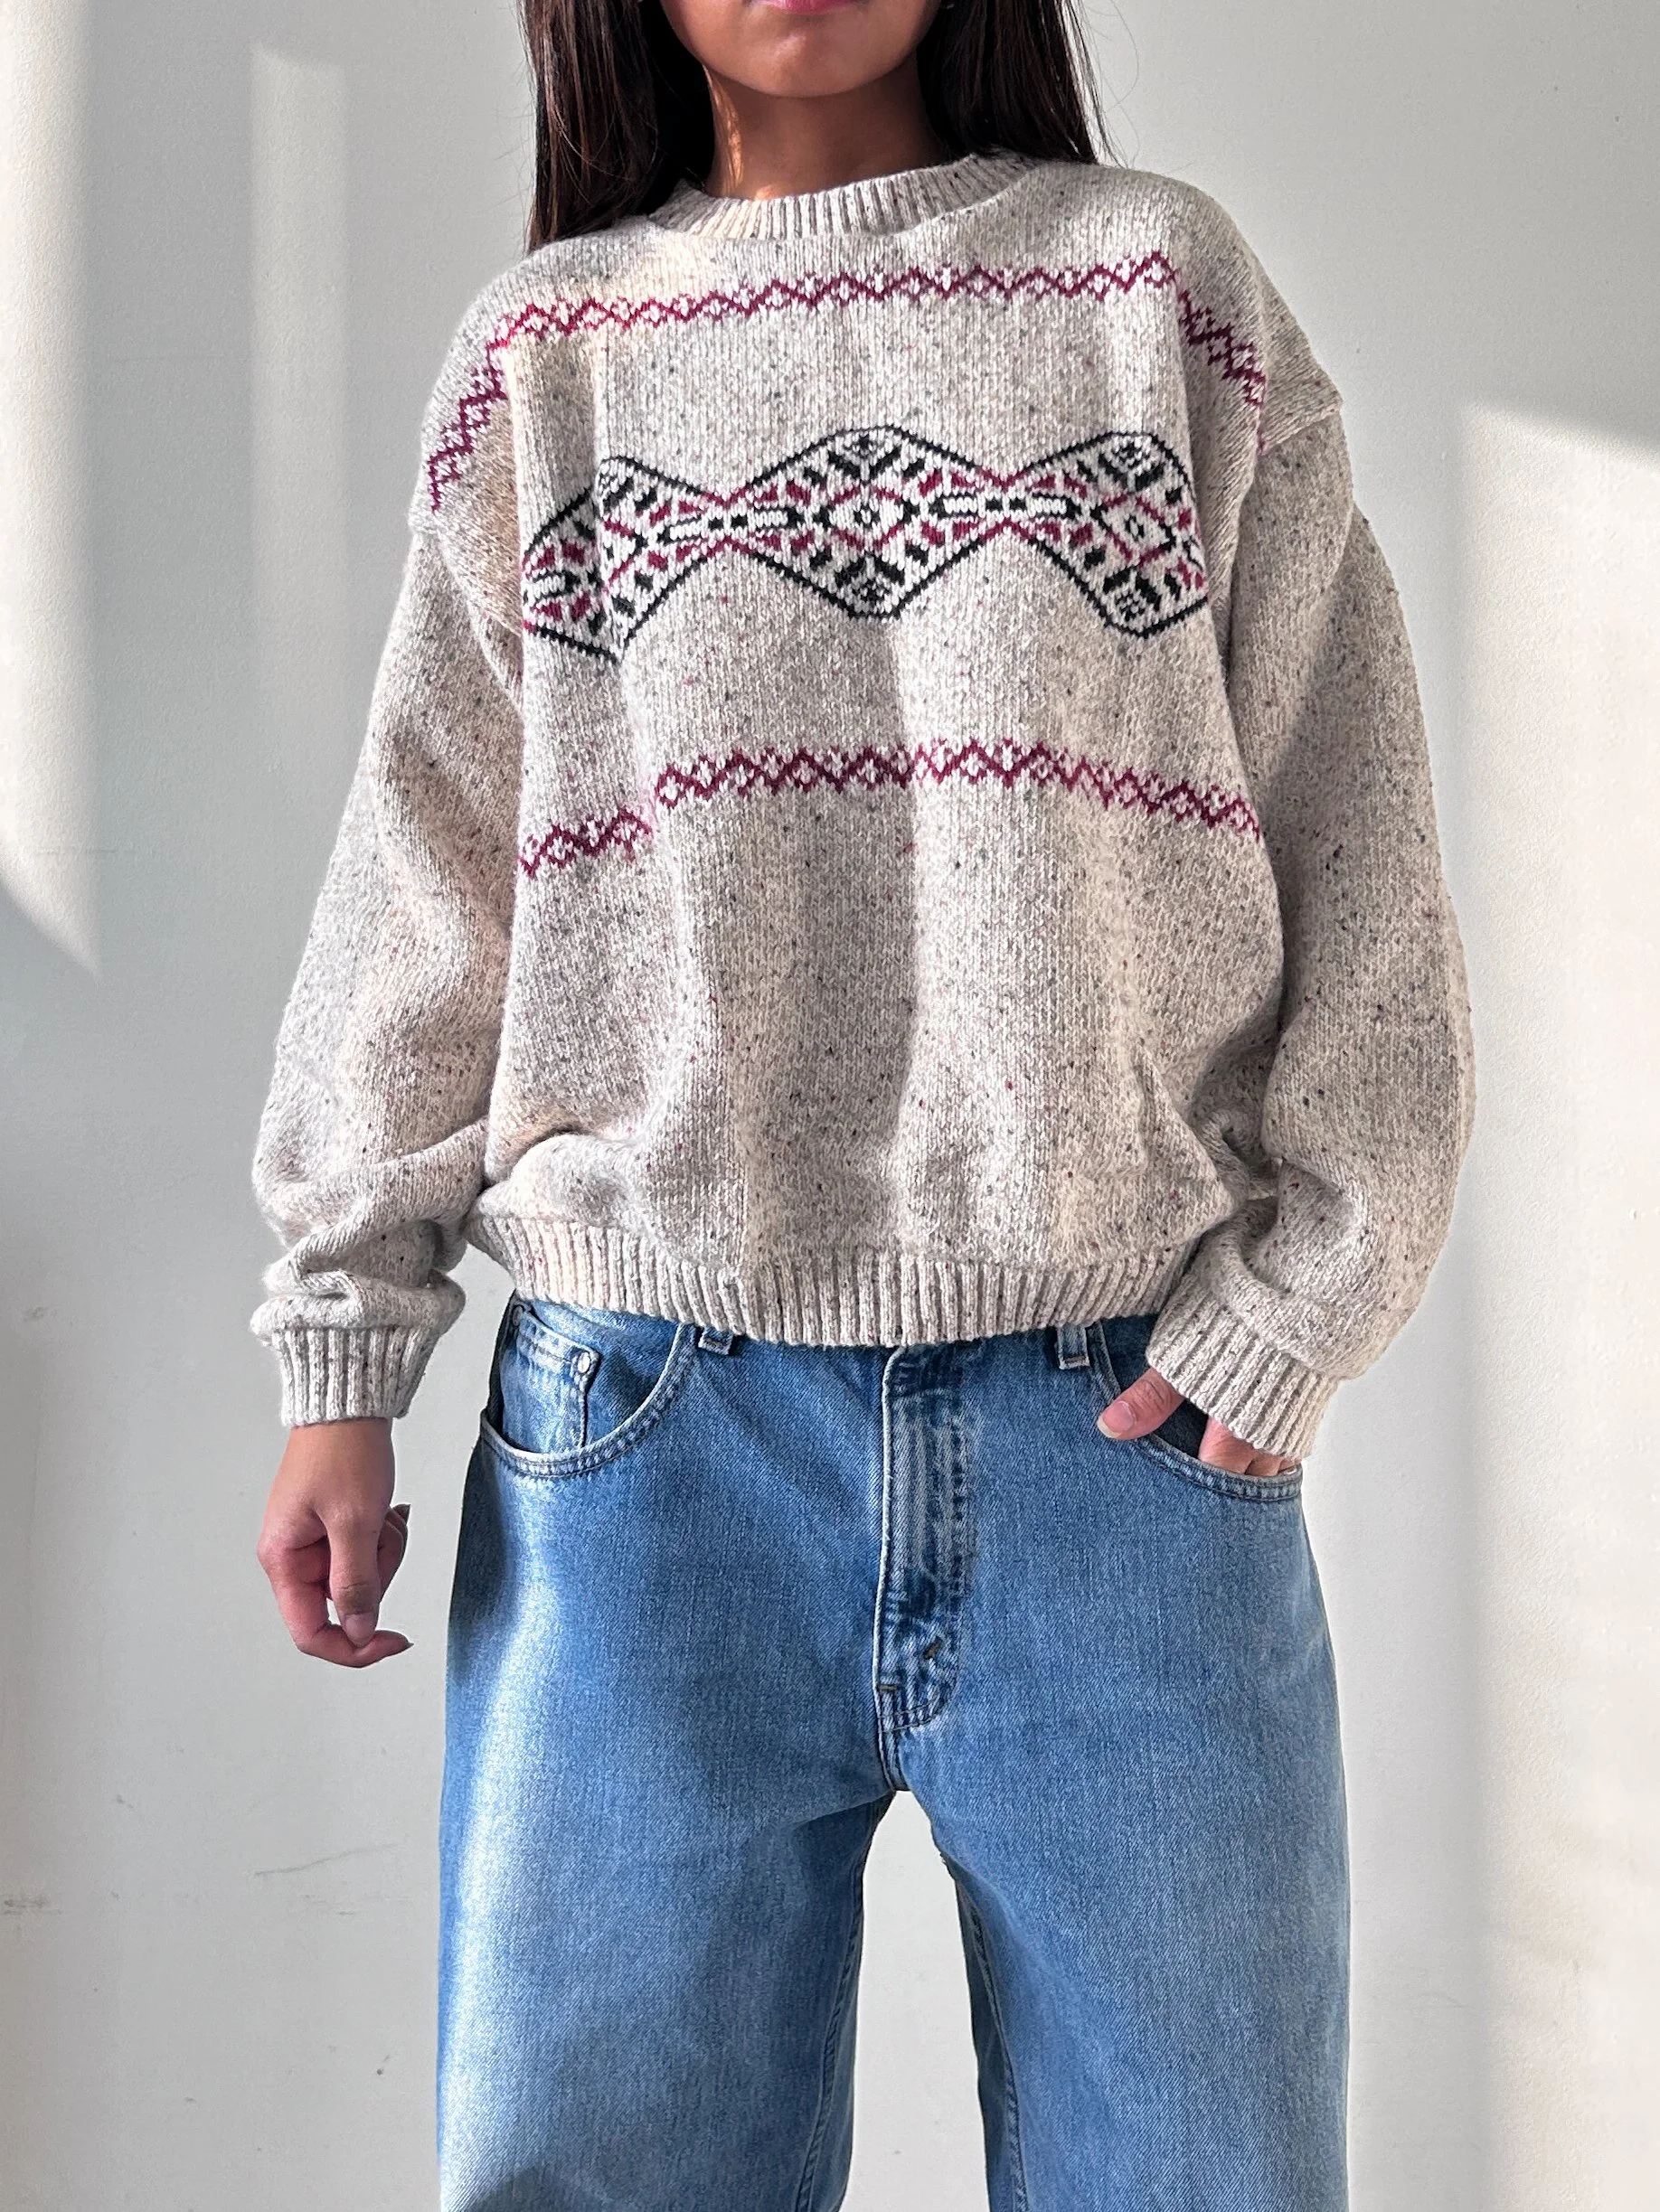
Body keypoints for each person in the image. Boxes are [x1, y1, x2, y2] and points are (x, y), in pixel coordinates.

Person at [250, 0, 1475, 2205]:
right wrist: (344, 1339)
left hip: (1125, 1434)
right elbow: (426, 875)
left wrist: (1307, 1290)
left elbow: (1356, 821)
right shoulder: (550, 355)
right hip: (647, 1447)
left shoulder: (1154, 290)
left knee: (1200, 2174)